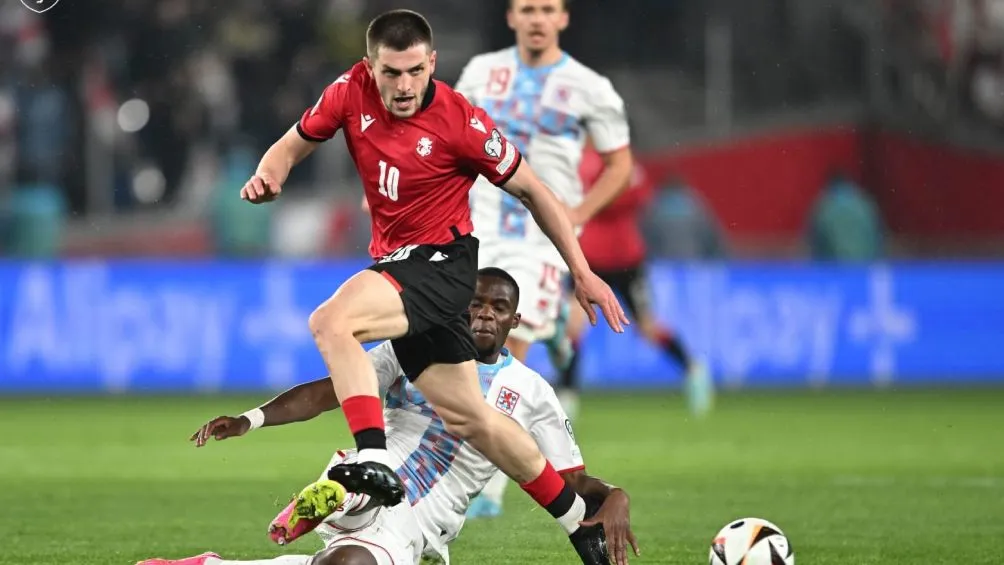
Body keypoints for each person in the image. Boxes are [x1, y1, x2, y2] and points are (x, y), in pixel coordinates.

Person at [238, 9, 628, 558]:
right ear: (369, 67)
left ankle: (371, 457)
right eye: (391, 73)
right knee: (473, 418)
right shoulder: (348, 92)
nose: (404, 86)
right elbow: (290, 144)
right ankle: (576, 523)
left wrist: (582, 272)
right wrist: (270, 173)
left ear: (432, 63)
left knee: (331, 322)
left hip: (442, 264)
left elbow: (535, 191)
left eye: (415, 71)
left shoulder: (460, 121)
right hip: (402, 265)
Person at [137, 269, 639, 565]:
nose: (484, 314)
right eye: (474, 304)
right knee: (365, 491)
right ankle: (347, 492)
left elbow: (568, 482)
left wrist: (615, 494)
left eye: (498, 307)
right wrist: (251, 419)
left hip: (427, 515)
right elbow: (330, 391)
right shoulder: (412, 350)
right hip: (380, 467)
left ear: (515, 320)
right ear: (456, 310)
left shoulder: (533, 393)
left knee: (342, 564)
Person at [454, 0, 633, 519]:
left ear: (563, 18)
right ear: (511, 17)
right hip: (481, 228)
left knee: (506, 349)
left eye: (547, 8)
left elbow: (620, 165)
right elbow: (444, 133)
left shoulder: (590, 87)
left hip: (541, 241)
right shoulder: (481, 72)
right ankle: (555, 322)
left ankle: (489, 487)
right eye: (527, 8)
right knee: (465, 346)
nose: (537, 18)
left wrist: (577, 214)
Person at [549, 143, 714, 422]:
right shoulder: (582, 160)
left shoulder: (621, 159)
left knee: (647, 327)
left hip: (626, 260)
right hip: (588, 259)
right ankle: (567, 395)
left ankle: (693, 370)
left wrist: (596, 198)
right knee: (573, 325)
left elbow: (636, 197)